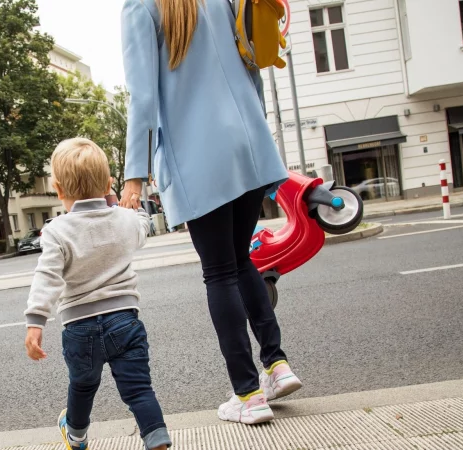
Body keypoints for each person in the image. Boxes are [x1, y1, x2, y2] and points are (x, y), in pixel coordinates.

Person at [120, 0, 302, 425]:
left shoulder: (141, 7)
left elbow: (143, 96)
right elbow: (252, 65)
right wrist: (256, 130)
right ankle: (277, 365)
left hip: (199, 155)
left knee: (219, 272)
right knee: (241, 262)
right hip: (249, 145)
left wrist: (135, 175)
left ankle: (249, 395)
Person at [23, 138, 171, 450]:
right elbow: (144, 224)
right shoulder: (124, 219)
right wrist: (124, 203)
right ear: (107, 185)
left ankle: (76, 437)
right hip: (125, 322)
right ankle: (156, 437)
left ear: (59, 190)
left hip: (79, 328)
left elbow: (47, 276)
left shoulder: (56, 231)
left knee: (83, 384)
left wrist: (36, 321)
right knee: (139, 390)